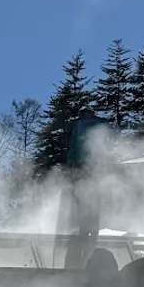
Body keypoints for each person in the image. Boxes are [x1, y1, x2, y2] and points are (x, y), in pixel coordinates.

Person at [61, 106, 112, 267]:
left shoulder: (78, 126)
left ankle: (84, 231)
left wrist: (71, 164)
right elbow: (109, 143)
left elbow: (73, 149)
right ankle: (94, 233)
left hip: (81, 169)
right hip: (97, 168)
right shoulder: (102, 124)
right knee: (94, 199)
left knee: (81, 199)